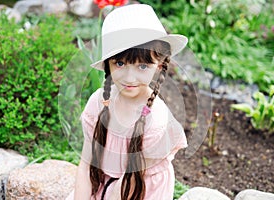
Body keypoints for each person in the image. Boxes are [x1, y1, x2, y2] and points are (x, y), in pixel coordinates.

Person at [72, 3, 188, 200]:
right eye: (119, 63)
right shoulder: (99, 103)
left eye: (142, 66)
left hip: (139, 190)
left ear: (159, 65)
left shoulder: (156, 120)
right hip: (106, 183)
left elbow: (129, 184)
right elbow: (85, 165)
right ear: (108, 65)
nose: (130, 78)